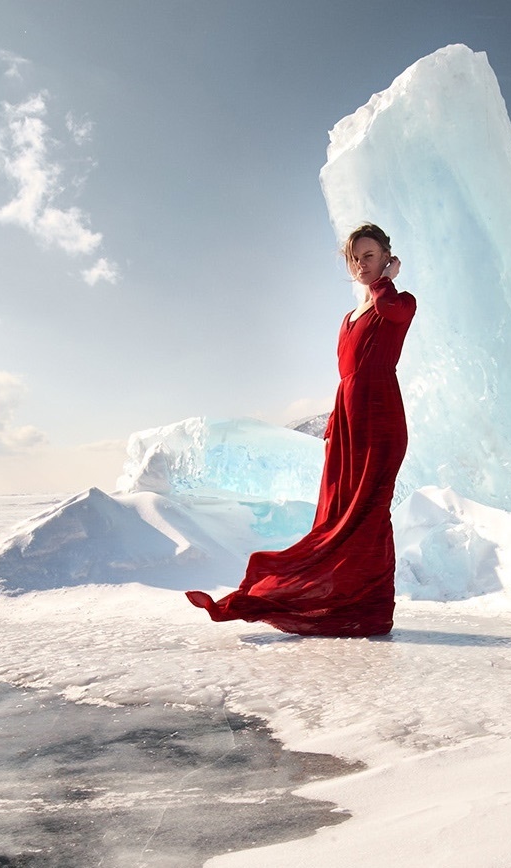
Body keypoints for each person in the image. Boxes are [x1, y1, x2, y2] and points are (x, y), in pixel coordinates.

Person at [186, 223, 417, 637]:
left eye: (369, 255)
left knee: (368, 516)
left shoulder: (398, 301)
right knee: (335, 518)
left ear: (386, 255)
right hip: (348, 422)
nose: (361, 265)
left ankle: (372, 609)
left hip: (381, 419)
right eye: (355, 258)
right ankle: (337, 602)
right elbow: (349, 373)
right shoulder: (349, 318)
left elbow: (394, 315)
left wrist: (387, 281)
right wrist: (334, 422)